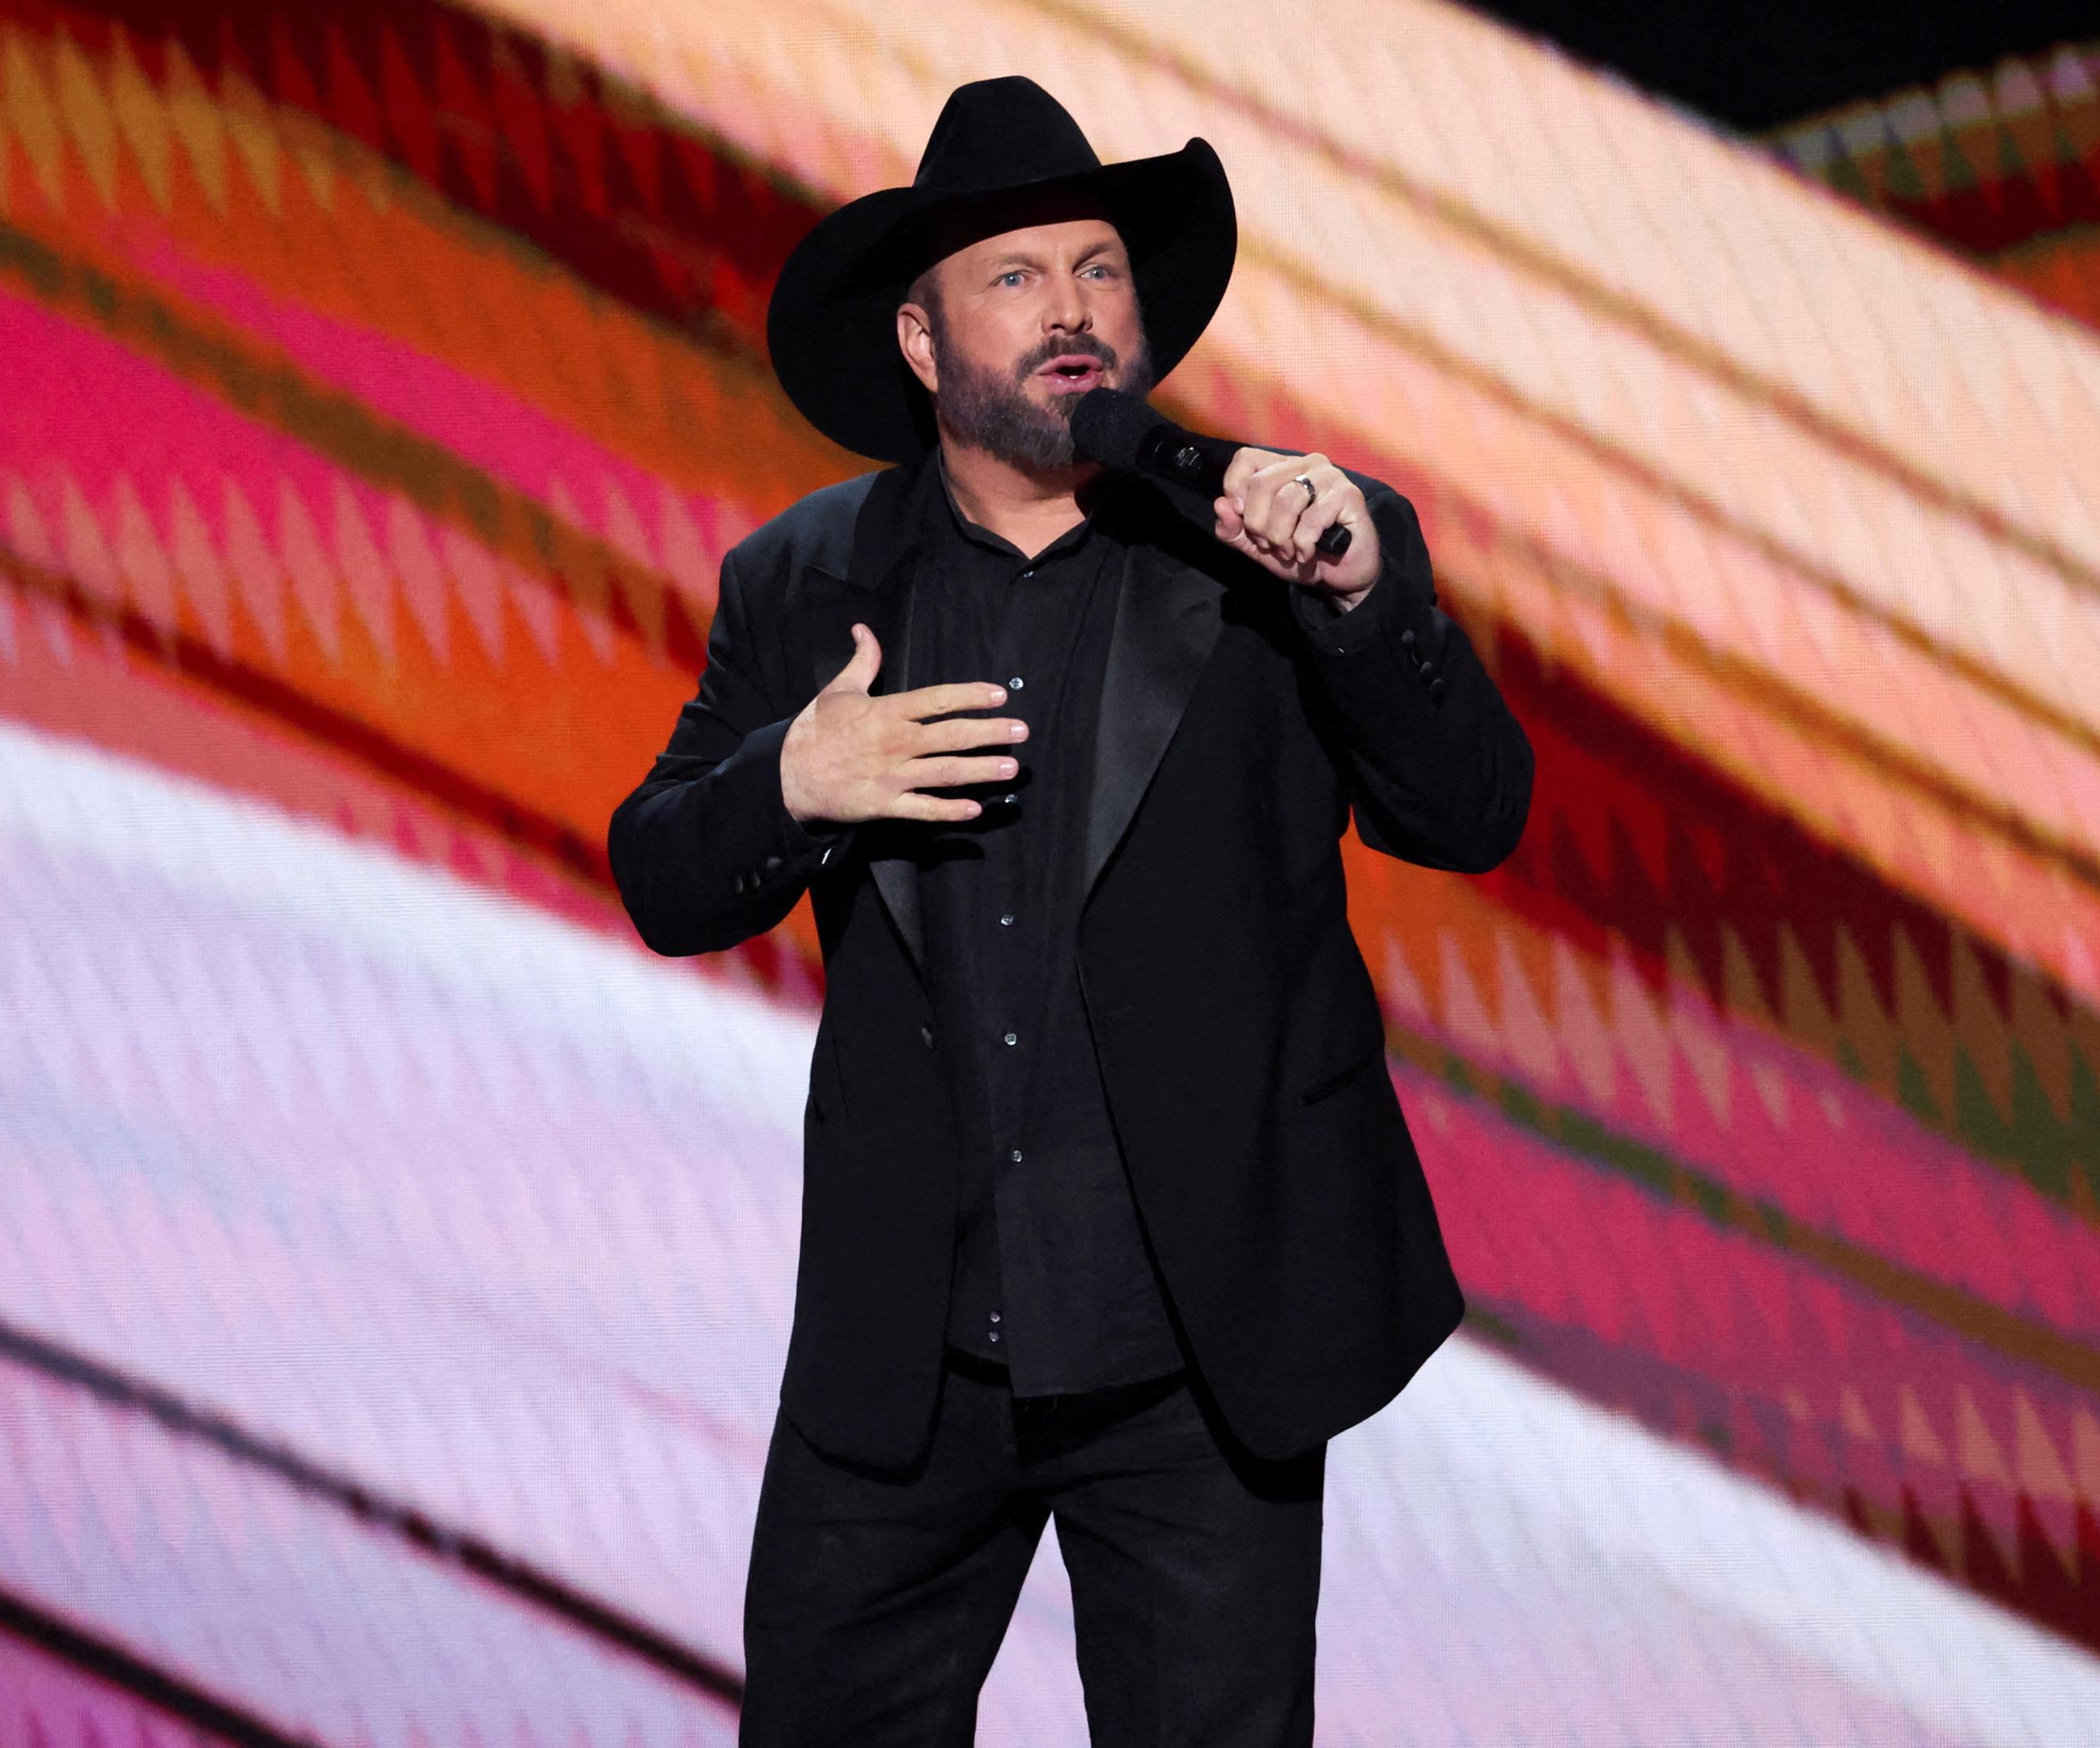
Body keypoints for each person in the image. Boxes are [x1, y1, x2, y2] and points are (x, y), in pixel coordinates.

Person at [606, 74, 1535, 1746]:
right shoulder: (805, 584)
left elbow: (1473, 815)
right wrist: (788, 786)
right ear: (920, 339)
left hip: (1196, 1356)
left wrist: (1361, 602)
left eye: (1099, 270)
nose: (1072, 313)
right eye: (1018, 279)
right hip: (909, 1359)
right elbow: (663, 873)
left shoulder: (1279, 552)